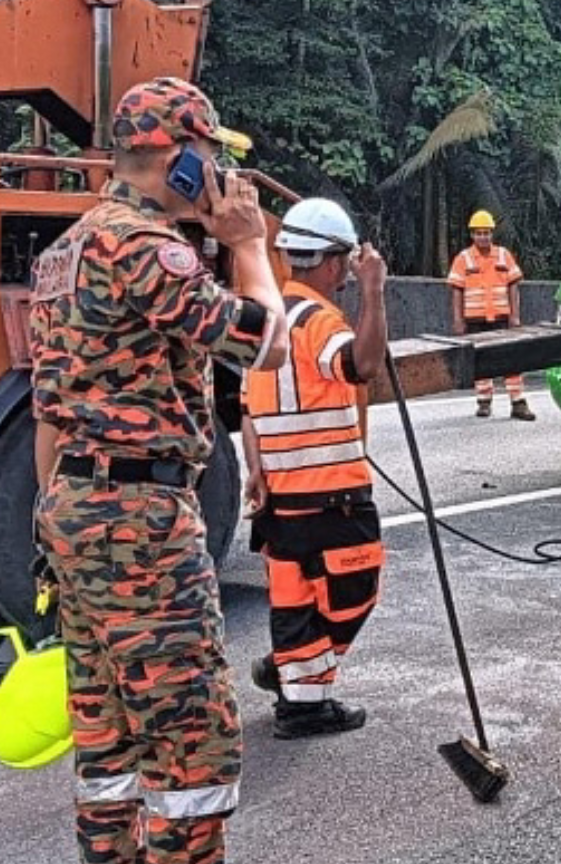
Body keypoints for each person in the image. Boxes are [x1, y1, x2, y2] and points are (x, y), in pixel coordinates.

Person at [29, 77, 290, 864]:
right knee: (188, 738)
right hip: (140, 518)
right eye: (212, 154)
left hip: (73, 507)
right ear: (180, 157)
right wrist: (246, 243)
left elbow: (47, 413)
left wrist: (51, 527)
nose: (218, 173)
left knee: (107, 736)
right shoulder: (146, 248)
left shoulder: (65, 250)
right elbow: (264, 344)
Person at [240, 197, 390, 739]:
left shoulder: (267, 323)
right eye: (345, 264)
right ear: (330, 262)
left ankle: (301, 703)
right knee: (353, 591)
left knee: (295, 599)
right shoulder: (318, 320)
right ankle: (292, 674)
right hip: (330, 497)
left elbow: (248, 410)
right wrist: (374, 291)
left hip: (282, 499)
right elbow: (362, 365)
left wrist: (255, 470)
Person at [447, 209, 534, 421]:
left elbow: (513, 287)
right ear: (472, 235)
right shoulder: (463, 259)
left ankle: (518, 403)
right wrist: (458, 321)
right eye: (479, 233)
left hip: (502, 318)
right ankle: (484, 402)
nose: (483, 237)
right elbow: (457, 290)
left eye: (487, 232)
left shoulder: (503, 255)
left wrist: (515, 316)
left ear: (492, 234)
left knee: (512, 359)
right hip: (475, 320)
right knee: (480, 362)